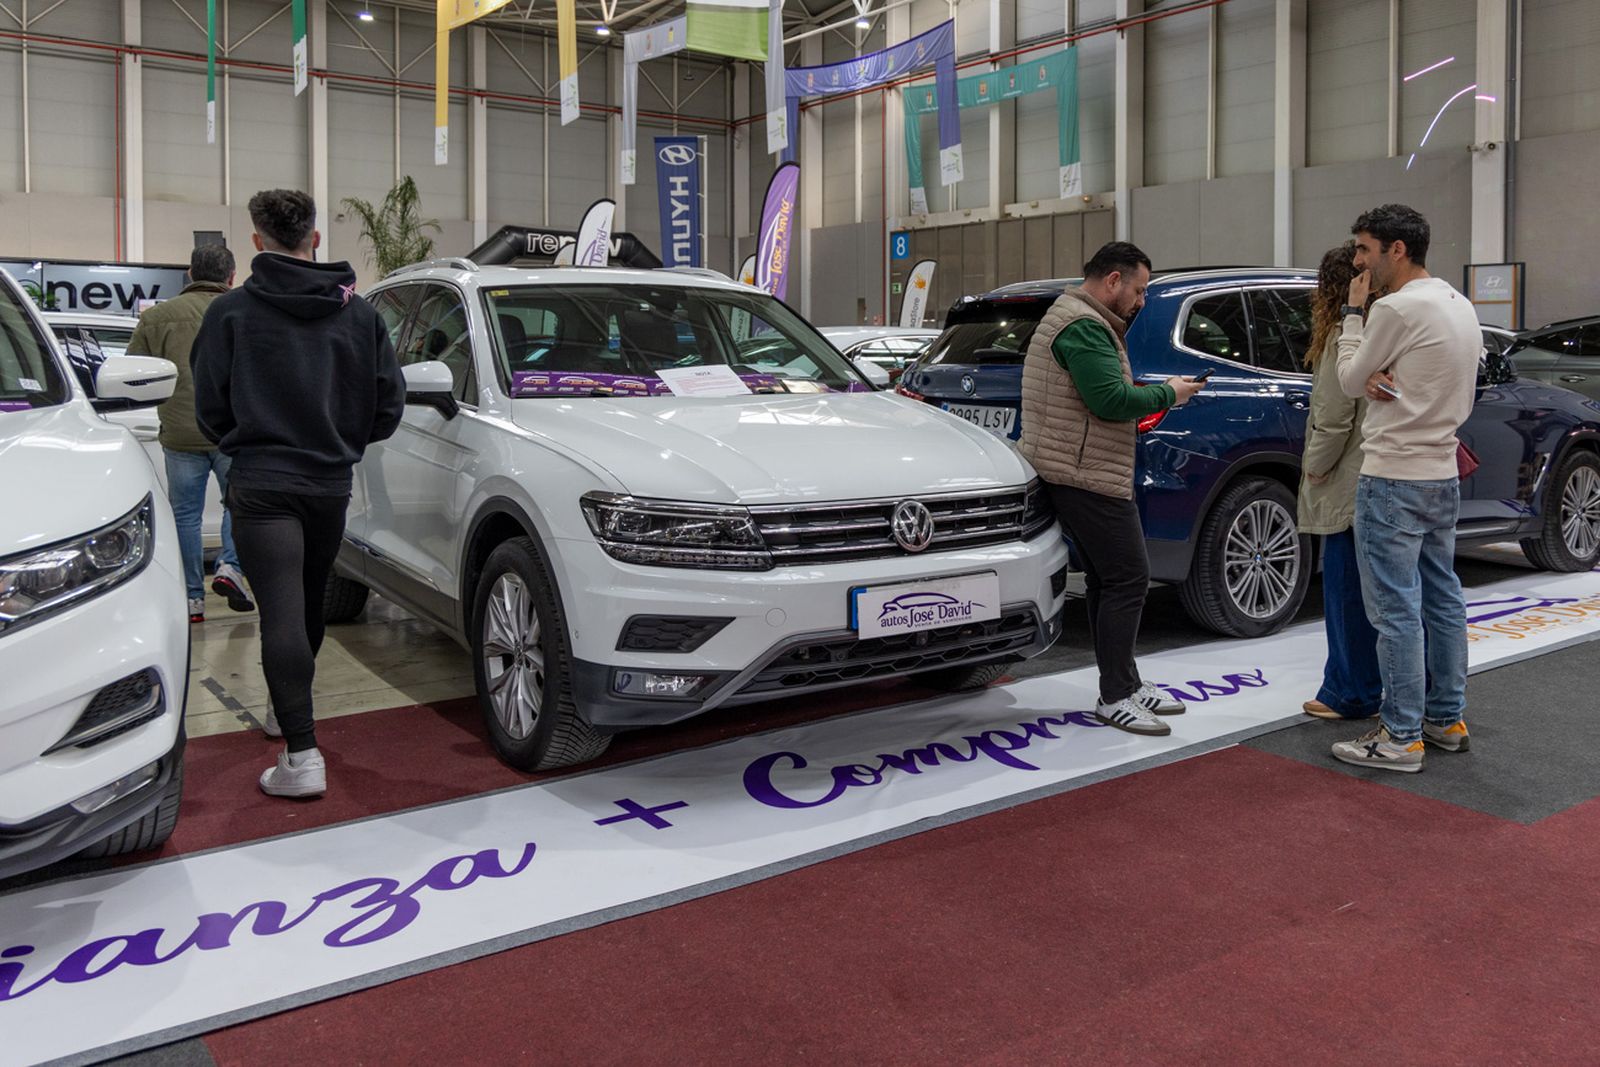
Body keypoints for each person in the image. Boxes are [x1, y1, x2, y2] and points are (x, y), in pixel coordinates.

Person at [192, 189, 405, 799]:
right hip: (329, 483)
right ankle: (289, 713)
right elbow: (387, 406)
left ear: (257, 242)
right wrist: (342, 442)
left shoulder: (230, 313)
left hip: (262, 482)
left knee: (281, 611)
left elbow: (208, 405)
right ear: (315, 238)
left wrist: (242, 441)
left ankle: (302, 753)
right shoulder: (361, 316)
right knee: (306, 605)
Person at [1019, 241, 1207, 736]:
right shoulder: (1083, 326)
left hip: (1075, 466)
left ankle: (1124, 680)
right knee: (1128, 578)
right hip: (1083, 473)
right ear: (1113, 281)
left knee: (1109, 580)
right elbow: (1109, 400)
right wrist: (1172, 393)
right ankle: (1116, 696)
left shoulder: (1077, 317)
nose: (1142, 300)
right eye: (1140, 290)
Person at [1330, 204, 1480, 772]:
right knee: (1442, 600)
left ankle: (1399, 737)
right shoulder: (1456, 303)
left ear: (1397, 249)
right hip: (1442, 472)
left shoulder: (1392, 308)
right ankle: (1445, 719)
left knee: (1396, 611)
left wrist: (1351, 315)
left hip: (1393, 475)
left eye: (1365, 248)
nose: (1358, 260)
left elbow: (1348, 381)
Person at [125, 244, 253, 623]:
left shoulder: (158, 318)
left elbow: (134, 371)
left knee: (185, 516)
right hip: (232, 430)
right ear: (231, 276)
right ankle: (230, 566)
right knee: (240, 505)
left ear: (189, 274)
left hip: (181, 431)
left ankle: (191, 599)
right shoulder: (243, 311)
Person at [1297, 242, 1382, 722]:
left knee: (1346, 590)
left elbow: (1332, 418)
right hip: (1388, 475)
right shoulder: (1387, 329)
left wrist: (1314, 468)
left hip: (1348, 479)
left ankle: (1348, 692)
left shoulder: (1341, 336)